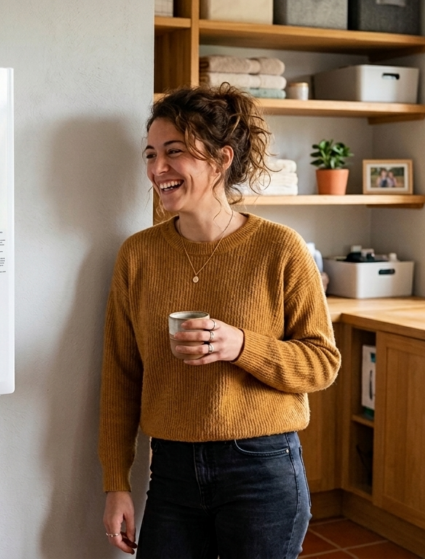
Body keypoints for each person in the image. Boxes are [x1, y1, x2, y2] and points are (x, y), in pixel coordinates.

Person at [98, 84, 341, 559]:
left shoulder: (280, 248)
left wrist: (240, 345)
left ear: (221, 159)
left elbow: (322, 363)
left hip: (262, 468)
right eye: (150, 154)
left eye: (174, 153)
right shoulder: (138, 255)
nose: (157, 169)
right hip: (169, 468)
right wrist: (115, 483)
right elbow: (120, 375)